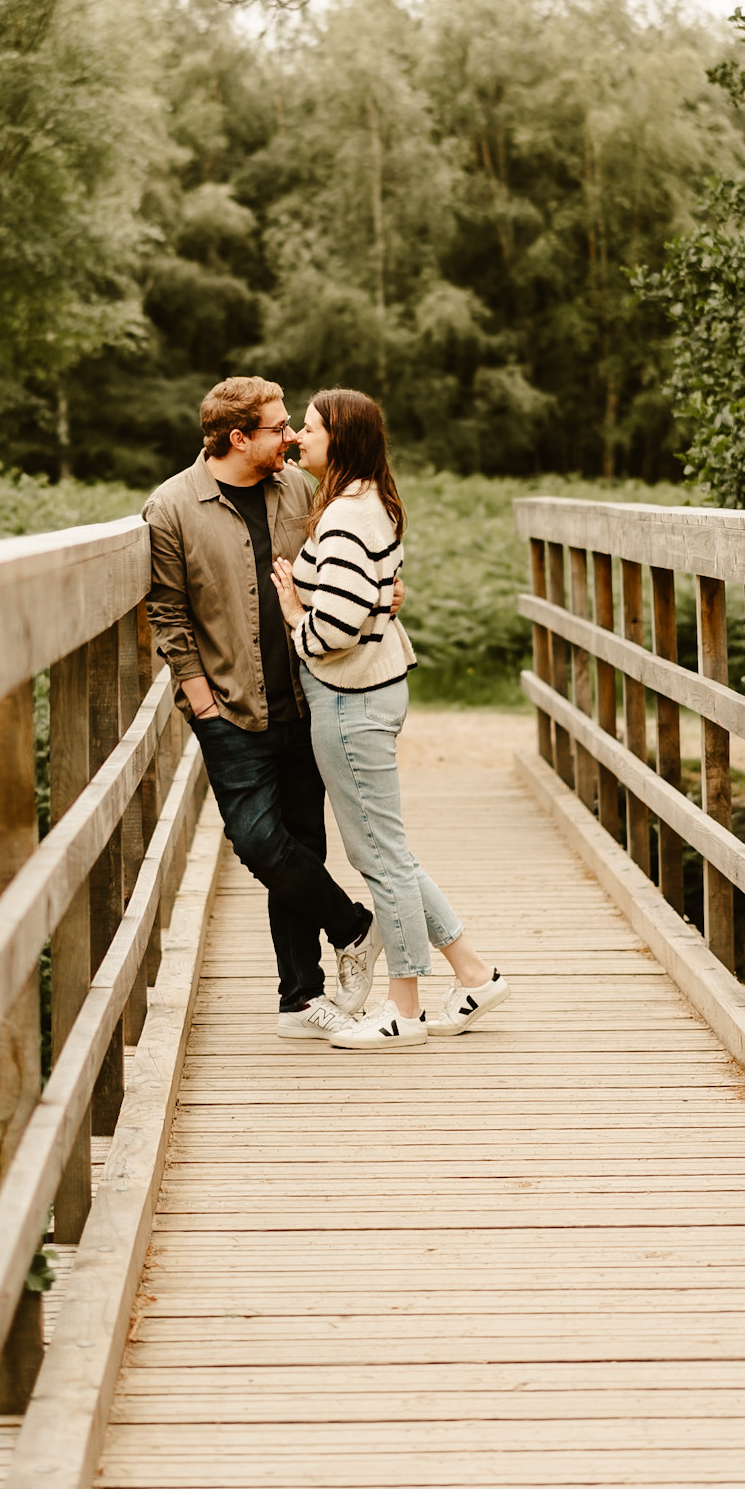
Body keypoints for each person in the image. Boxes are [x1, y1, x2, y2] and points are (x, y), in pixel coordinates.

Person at [143, 376, 390, 1038]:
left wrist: (384, 593)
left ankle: (301, 999)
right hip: (228, 706)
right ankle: (355, 926)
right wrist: (203, 705)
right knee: (257, 840)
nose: (290, 437)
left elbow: (346, 564)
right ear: (237, 437)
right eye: (278, 427)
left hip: (310, 698)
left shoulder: (300, 491)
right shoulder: (172, 506)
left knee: (302, 842)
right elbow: (167, 614)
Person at [271, 389, 509, 1051]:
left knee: (379, 857)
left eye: (310, 428)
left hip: (349, 698)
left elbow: (337, 628)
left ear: (339, 440)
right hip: (370, 690)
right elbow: (371, 598)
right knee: (386, 850)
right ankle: (473, 973)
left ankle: (401, 1007)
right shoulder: (368, 501)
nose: (297, 436)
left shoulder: (346, 517)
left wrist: (295, 616)